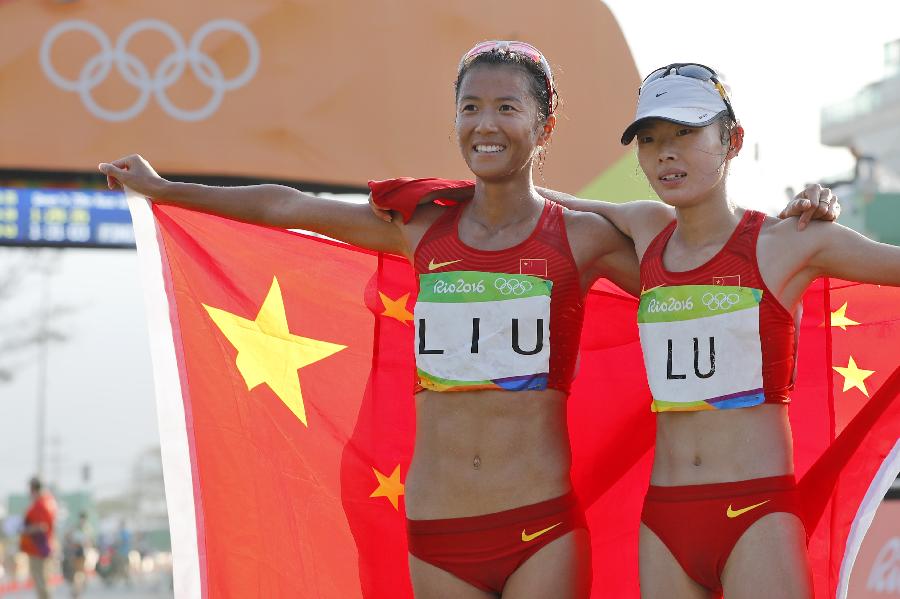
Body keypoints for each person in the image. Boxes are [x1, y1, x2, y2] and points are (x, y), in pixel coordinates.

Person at [483, 63, 895, 598]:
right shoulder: (644, 227)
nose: (666, 153)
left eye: (685, 133)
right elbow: (534, 209)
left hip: (756, 515)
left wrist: (826, 200)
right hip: (666, 522)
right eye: (650, 139)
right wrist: (438, 197)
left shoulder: (791, 242)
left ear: (732, 140)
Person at [20, 476, 57, 599]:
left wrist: (25, 529)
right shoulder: (48, 501)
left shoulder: (41, 504)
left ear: (33, 489)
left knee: (41, 582)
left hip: (39, 549)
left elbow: (42, 526)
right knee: (42, 581)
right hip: (41, 547)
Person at [62, 512, 92, 598]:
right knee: (78, 572)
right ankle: (77, 589)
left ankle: (76, 590)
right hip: (76, 552)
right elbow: (68, 537)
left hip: (81, 553)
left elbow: (88, 542)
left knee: (79, 573)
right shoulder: (77, 527)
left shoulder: (86, 528)